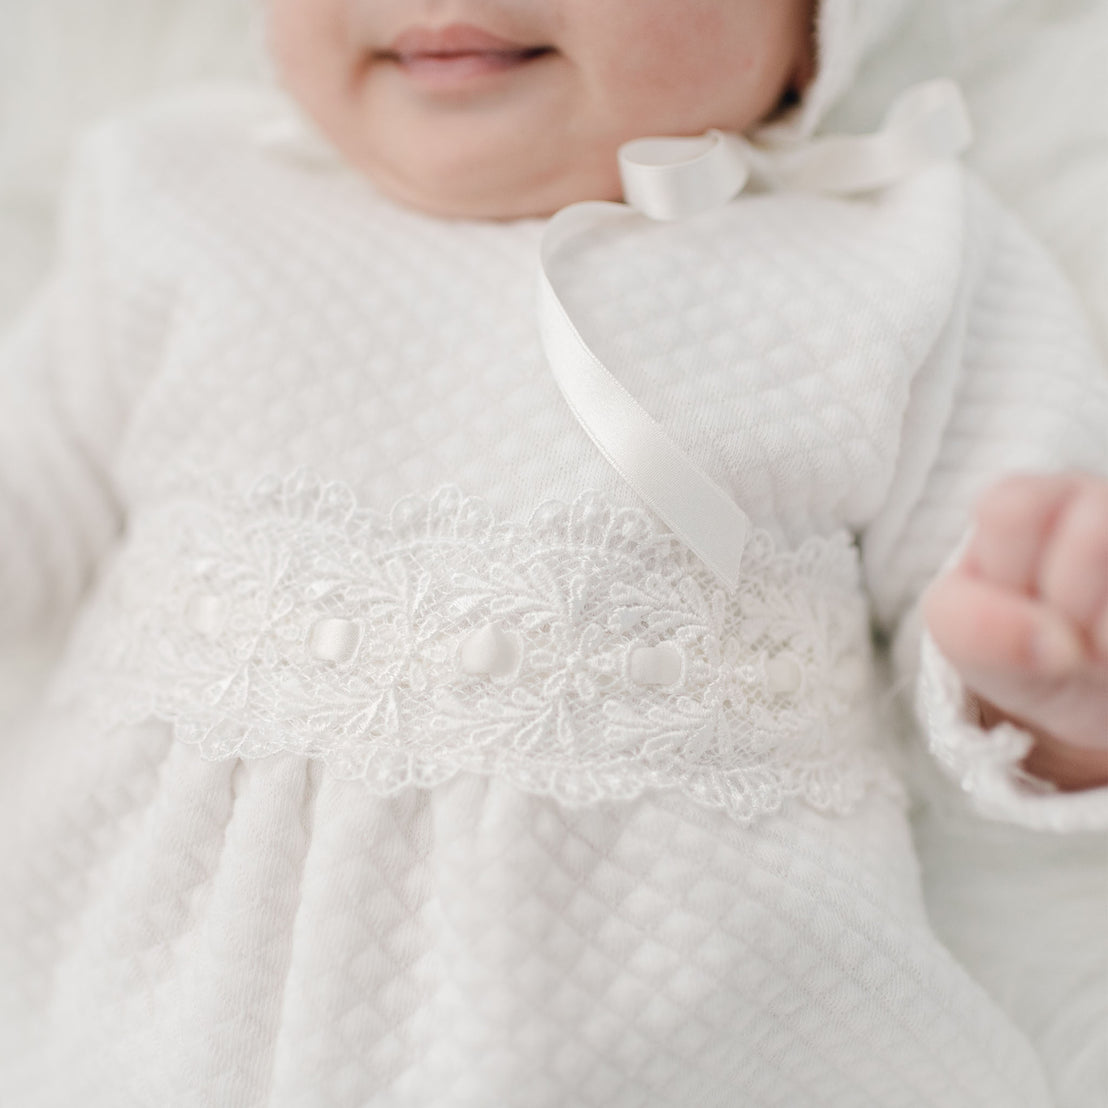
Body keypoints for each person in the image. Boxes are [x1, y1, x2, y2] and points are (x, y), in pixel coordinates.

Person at [1, 0, 1105, 1103]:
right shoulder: (180, 195)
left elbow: (1009, 573)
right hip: (133, 1010)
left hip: (698, 1034)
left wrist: (1043, 696)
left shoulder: (890, 252)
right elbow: (33, 490)